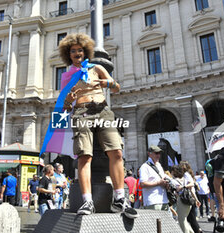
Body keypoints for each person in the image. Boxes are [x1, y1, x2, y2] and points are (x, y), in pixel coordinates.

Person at [58, 33, 138, 219]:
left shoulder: (97, 67)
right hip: (81, 113)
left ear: (85, 52)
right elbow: (64, 105)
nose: (77, 53)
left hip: (103, 110)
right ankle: (87, 201)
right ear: (68, 55)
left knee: (116, 151)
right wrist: (69, 100)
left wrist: (107, 82)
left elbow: (116, 87)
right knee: (84, 156)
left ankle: (120, 198)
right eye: (73, 51)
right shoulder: (67, 77)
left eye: (79, 50)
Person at [139, 145, 169, 210]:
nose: (158, 155)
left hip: (164, 199)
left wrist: (166, 183)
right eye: (156, 153)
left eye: (159, 153)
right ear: (149, 154)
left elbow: (162, 179)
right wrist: (158, 183)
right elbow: (142, 184)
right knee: (154, 220)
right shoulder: (144, 167)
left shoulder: (159, 165)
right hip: (153, 200)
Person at [180, 161, 202, 233]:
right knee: (190, 218)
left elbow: (191, 186)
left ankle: (198, 230)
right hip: (191, 198)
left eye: (181, 165)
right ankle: (197, 230)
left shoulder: (186, 174)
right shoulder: (187, 174)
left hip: (190, 198)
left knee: (191, 219)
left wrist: (196, 200)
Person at [172, 165, 194, 233]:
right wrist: (184, 186)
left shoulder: (173, 181)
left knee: (182, 221)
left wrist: (180, 188)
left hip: (181, 201)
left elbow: (174, 192)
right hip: (188, 201)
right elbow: (192, 183)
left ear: (174, 172)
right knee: (185, 220)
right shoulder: (184, 179)